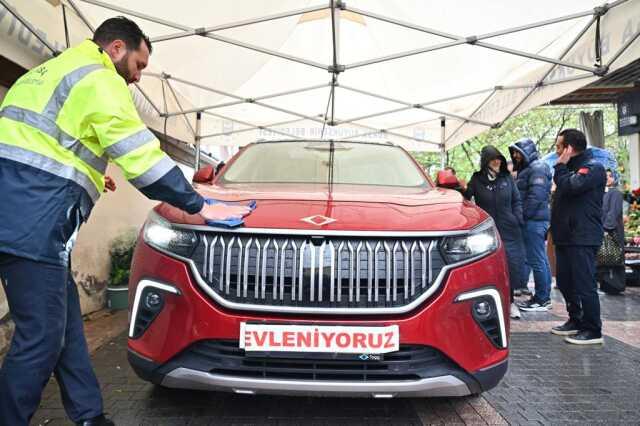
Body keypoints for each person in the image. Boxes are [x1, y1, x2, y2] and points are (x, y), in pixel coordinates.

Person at [0, 17, 251, 426]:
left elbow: (35, 141)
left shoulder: (47, 73)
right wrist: (197, 205)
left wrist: (89, 171)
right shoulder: (100, 79)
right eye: (139, 65)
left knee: (65, 330)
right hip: (33, 223)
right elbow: (140, 155)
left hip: (23, 212)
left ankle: (89, 416)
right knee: (42, 338)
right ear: (116, 48)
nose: (136, 78)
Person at [550, 129, 606, 345]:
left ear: (569, 149)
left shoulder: (592, 168)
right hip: (565, 236)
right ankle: (576, 320)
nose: (556, 152)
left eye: (558, 147)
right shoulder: (568, 170)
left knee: (584, 284)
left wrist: (560, 168)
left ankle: (593, 330)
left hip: (582, 236)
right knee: (565, 282)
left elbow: (573, 186)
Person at [462, 146, 527, 319]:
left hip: (510, 230)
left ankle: (511, 302)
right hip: (487, 230)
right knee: (489, 267)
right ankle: (488, 303)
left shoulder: (507, 178)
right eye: (493, 159)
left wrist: (517, 218)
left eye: (499, 158)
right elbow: (466, 198)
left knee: (511, 266)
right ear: (486, 161)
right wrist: (458, 189)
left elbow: (517, 200)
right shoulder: (476, 179)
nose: (497, 161)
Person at [509, 138, 553, 310]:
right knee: (539, 258)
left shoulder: (538, 168)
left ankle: (542, 298)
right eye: (513, 152)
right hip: (533, 220)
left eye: (517, 152)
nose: (514, 155)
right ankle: (543, 297)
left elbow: (535, 196)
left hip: (534, 221)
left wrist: (523, 216)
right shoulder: (530, 169)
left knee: (537, 259)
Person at [598, 169, 625, 295]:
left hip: (612, 232)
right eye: (606, 176)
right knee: (606, 258)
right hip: (606, 230)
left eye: (610, 176)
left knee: (613, 258)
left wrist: (607, 229)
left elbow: (613, 213)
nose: (607, 178)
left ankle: (614, 286)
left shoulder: (616, 193)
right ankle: (607, 285)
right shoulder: (605, 193)